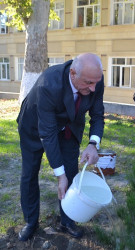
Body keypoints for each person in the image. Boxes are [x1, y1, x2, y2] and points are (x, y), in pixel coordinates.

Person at [16, 53, 105, 241]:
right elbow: (47, 133)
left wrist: (93, 144)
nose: (93, 87)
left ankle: (67, 220)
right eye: (88, 83)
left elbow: (97, 114)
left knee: (71, 171)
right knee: (30, 173)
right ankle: (31, 222)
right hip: (34, 127)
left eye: (95, 82)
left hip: (68, 125)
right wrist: (59, 175)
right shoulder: (48, 83)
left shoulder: (95, 79)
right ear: (73, 73)